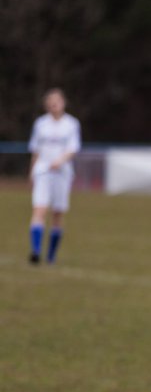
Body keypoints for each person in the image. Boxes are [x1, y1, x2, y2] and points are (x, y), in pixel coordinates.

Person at [27, 88, 81, 265]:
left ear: (63, 103)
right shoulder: (40, 124)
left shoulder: (71, 124)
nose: (53, 104)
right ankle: (35, 251)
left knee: (57, 213)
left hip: (62, 173)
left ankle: (51, 255)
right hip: (43, 171)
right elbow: (35, 150)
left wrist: (60, 160)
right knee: (40, 210)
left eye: (56, 100)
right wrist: (32, 171)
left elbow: (73, 148)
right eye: (50, 101)